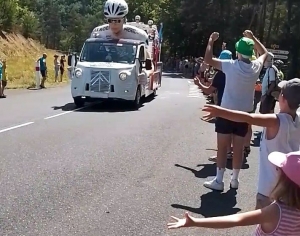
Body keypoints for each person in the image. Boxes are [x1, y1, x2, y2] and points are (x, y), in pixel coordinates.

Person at [202, 78, 300, 209]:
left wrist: (220, 112)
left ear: (282, 98)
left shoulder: (276, 121)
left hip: (269, 188)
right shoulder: (297, 120)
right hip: (290, 185)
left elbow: (248, 118)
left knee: (264, 224)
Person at [167, 151, 300, 235]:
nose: (276, 169)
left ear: (285, 181)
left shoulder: (277, 211)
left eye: (279, 169)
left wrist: (195, 222)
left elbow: (236, 219)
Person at [202, 30, 268, 191]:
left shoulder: (230, 65)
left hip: (226, 112)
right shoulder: (255, 67)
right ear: (251, 53)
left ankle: (219, 180)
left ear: (237, 52)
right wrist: (253, 37)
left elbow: (208, 59)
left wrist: (211, 41)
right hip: (244, 115)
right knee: (238, 149)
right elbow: (265, 53)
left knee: (223, 147)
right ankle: (235, 180)